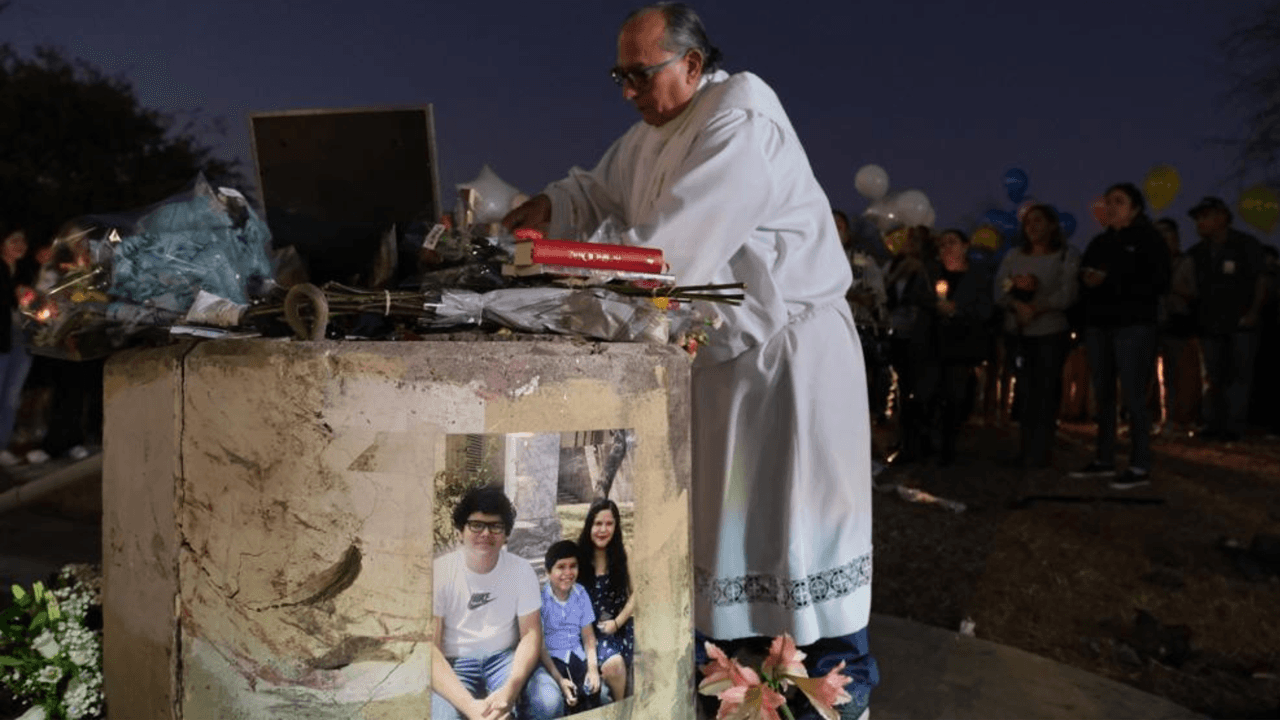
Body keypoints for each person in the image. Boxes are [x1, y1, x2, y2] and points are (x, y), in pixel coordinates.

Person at [504, 5, 877, 717]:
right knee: (731, 539)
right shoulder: (651, 134)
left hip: (786, 367)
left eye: (639, 75)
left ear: (693, 65)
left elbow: (666, 256)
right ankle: (740, 693)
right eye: (620, 76)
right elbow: (598, 190)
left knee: (799, 540)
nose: (628, 92)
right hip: (723, 367)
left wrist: (560, 297)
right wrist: (551, 205)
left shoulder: (741, 115)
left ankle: (834, 695)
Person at [432, 486, 563, 720]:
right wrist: (472, 709)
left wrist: (509, 692)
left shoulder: (521, 571)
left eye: (495, 526)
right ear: (461, 530)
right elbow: (430, 651)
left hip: (505, 659)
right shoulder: (440, 572)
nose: (486, 533)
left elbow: (531, 635)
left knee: (549, 702)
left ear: (506, 534)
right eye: (476, 525)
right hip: (455, 663)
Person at [1069, 183, 1169, 490]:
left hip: (1133, 324)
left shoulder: (1149, 240)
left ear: (1135, 208)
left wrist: (1112, 280)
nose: (1111, 206)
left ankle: (1139, 464)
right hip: (1099, 325)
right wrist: (1087, 281)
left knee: (1134, 395)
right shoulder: (1100, 242)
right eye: (1108, 201)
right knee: (1103, 395)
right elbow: (1083, 277)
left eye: (1119, 201)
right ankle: (1104, 458)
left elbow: (1158, 280)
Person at [994, 205, 1080, 468]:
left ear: (1052, 225)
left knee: (1045, 391)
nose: (1032, 227)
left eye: (1039, 221)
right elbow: (999, 289)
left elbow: (1068, 293)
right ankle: (1025, 447)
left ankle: (1042, 450)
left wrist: (1038, 307)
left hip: (1050, 332)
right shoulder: (1014, 256)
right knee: (1025, 390)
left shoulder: (1066, 255)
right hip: (1019, 333)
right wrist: (1016, 305)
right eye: (1028, 222)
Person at [1185, 197, 1268, 442]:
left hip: (1241, 323)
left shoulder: (1246, 245)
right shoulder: (1197, 252)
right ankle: (1212, 425)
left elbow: (1262, 279)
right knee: (1212, 376)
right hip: (1209, 324)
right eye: (1198, 218)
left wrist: (1253, 313)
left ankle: (1234, 427)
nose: (1199, 223)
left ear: (1221, 217)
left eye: (1204, 217)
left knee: (1239, 375)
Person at [884, 226, 936, 464]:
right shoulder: (892, 267)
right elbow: (885, 296)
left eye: (912, 240)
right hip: (897, 333)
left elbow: (929, 299)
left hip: (920, 336)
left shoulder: (928, 268)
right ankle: (902, 438)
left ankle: (918, 441)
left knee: (917, 390)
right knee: (901, 389)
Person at [575, 499, 633, 705]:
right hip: (585, 629)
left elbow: (637, 594)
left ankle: (624, 709)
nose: (603, 530)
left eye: (609, 524)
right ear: (589, 525)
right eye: (598, 524)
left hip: (616, 627)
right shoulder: (578, 556)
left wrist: (617, 622)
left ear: (616, 527)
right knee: (608, 667)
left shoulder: (623, 553)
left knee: (619, 665)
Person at [539, 540, 601, 715]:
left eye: (573, 566)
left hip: (577, 655)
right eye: (561, 567)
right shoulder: (541, 600)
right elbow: (540, 646)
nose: (568, 573)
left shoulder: (581, 594)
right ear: (548, 572)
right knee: (566, 701)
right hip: (553, 659)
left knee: (592, 691)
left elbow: (588, 636)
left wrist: (593, 669)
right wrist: (559, 680)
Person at [1153, 218, 1199, 436]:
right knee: (1151, 376)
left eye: (1167, 235)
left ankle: (1177, 419)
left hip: (1178, 321)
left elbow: (1195, 294)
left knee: (1178, 374)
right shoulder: (1149, 264)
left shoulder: (1187, 262)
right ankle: (1156, 419)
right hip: (1153, 322)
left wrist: (1176, 290)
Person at [0, 226, 35, 468]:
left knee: (11, 396)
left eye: (23, 240)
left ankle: (2, 446)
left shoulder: (25, 271)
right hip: (0, 339)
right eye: (14, 240)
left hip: (20, 339)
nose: (20, 245)